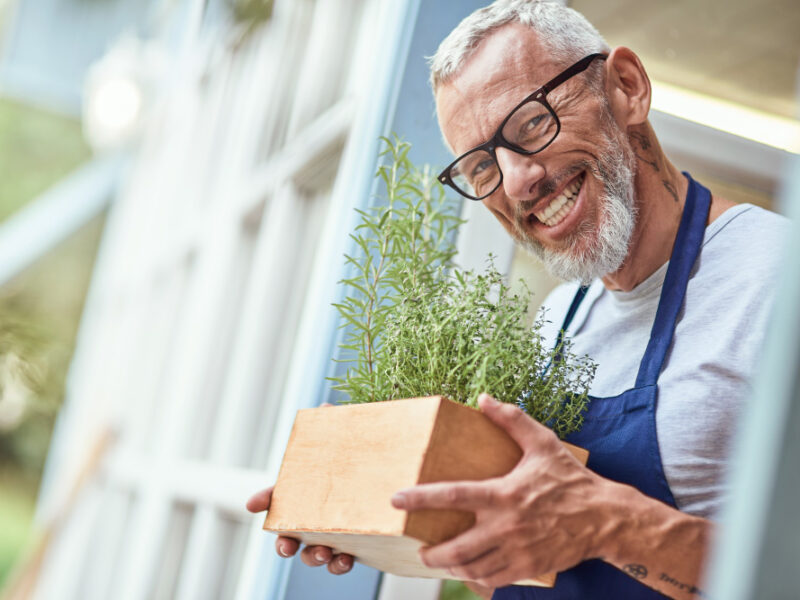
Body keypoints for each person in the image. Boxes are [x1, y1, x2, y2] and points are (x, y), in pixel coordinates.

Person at [247, 1, 789, 598]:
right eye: (481, 166)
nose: (515, 182)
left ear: (626, 88)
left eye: (531, 123)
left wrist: (610, 522)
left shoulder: (775, 277)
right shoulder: (560, 318)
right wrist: (376, 508)